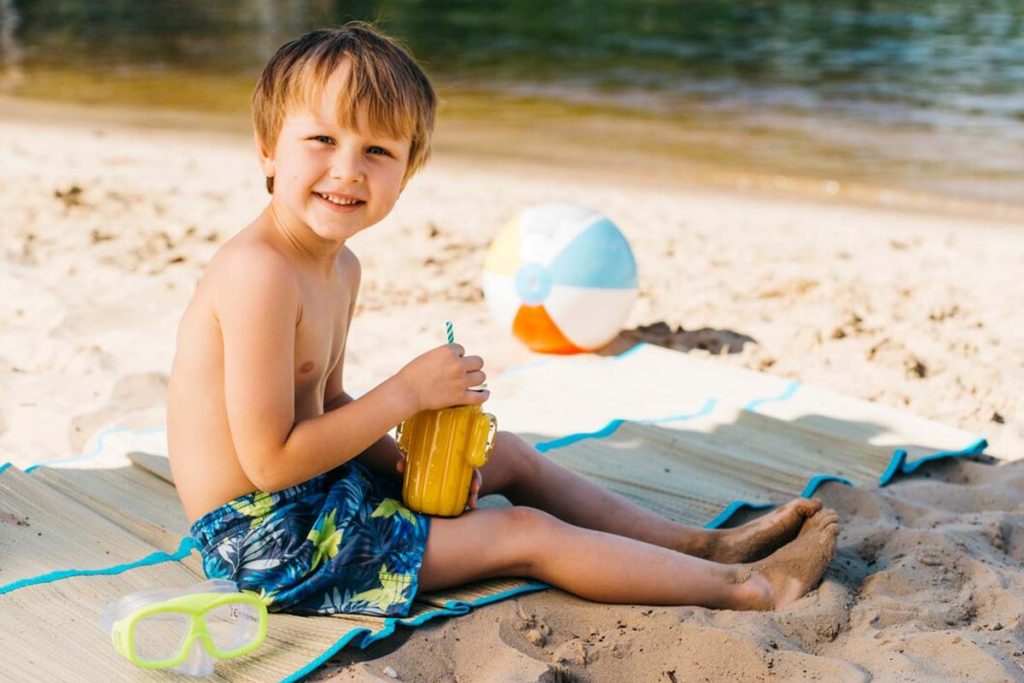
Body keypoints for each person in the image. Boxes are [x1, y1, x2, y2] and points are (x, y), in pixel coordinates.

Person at [167, 22, 838, 618]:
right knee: (522, 533)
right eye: (321, 139)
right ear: (267, 150)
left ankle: (703, 543)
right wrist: (405, 394)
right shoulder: (259, 273)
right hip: (264, 542)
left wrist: (402, 465)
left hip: (314, 493)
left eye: (378, 151)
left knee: (506, 454)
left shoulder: (341, 268)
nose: (347, 169)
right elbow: (270, 460)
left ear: (407, 172)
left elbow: (330, 401)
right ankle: (747, 590)